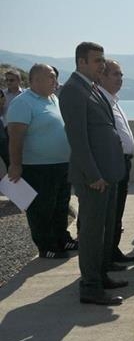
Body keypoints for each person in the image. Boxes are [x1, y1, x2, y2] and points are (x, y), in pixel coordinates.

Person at [60, 41, 127, 306]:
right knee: (91, 233)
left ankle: (100, 276)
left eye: (103, 59)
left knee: (104, 230)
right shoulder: (73, 90)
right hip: (94, 178)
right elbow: (78, 139)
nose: (103, 64)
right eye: (97, 60)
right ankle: (90, 286)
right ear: (81, 62)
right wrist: (92, 175)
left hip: (107, 174)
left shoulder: (92, 87)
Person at [6, 63, 76, 259]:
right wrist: (15, 165)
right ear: (36, 80)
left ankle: (62, 239)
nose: (55, 80)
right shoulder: (23, 102)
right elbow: (15, 137)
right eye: (51, 76)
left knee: (61, 205)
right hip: (37, 167)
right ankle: (47, 246)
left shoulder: (53, 98)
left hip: (61, 164)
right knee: (42, 208)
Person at [98, 59, 134, 263]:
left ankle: (113, 250)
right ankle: (106, 256)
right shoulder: (100, 101)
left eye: (121, 74)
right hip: (111, 163)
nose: (120, 78)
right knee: (109, 212)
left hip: (122, 162)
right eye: (115, 74)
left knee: (117, 209)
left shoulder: (113, 100)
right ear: (102, 76)